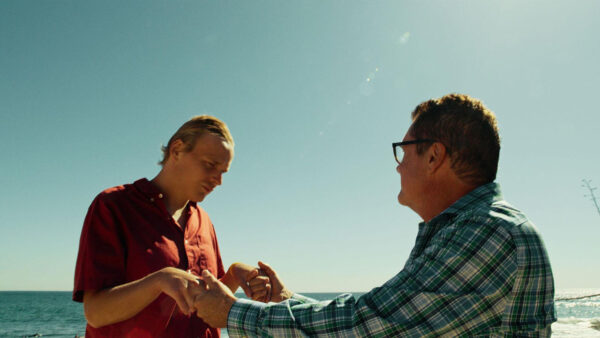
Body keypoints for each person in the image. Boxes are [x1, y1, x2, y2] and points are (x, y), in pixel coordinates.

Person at [192, 94, 557, 336]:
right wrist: (287, 299)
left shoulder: (488, 232)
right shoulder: (465, 229)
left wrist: (233, 313)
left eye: (404, 151)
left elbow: (368, 327)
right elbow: (387, 314)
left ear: (434, 157)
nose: (398, 167)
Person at [73, 115, 268, 337]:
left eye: (223, 172)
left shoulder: (204, 221)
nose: (218, 180)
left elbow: (204, 303)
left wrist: (233, 276)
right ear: (177, 150)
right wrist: (158, 281)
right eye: (210, 165)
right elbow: (95, 313)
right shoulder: (113, 205)